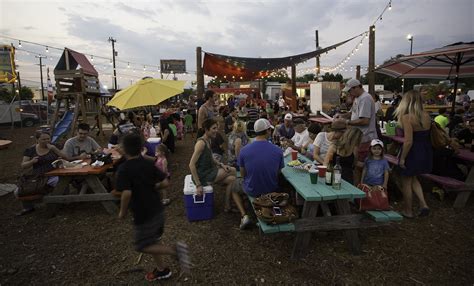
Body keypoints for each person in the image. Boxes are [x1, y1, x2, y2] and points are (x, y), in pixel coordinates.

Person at [116, 133, 191, 281]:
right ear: (141, 148)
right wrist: (151, 186)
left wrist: (122, 212)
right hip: (157, 209)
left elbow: (126, 194)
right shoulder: (148, 163)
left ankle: (174, 251)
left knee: (142, 246)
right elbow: (165, 182)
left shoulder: (124, 169)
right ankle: (162, 270)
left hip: (143, 214)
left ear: (124, 149)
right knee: (153, 241)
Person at [236, 118, 284, 229]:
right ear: (267, 131)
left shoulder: (244, 150)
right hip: (271, 189)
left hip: (252, 189)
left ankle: (244, 215)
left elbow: (243, 174)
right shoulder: (277, 150)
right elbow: (277, 173)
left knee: (233, 187)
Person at [393, 90, 432, 218]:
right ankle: (423, 205)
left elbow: (408, 141)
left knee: (406, 182)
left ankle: (408, 211)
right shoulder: (427, 116)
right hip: (425, 150)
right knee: (414, 178)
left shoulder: (407, 117)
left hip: (412, 152)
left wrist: (403, 158)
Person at [17, 131, 69, 215]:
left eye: (48, 139)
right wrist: (32, 161)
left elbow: (66, 157)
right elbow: (23, 165)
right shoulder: (30, 150)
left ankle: (63, 202)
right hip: (39, 175)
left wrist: (54, 149)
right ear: (37, 140)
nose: (46, 141)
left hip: (54, 173)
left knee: (62, 182)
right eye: (43, 139)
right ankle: (28, 207)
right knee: (21, 189)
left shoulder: (54, 146)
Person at [336, 79, 377, 185]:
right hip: (358, 136)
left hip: (364, 136)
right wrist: (341, 115)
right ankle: (357, 188)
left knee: (359, 165)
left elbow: (365, 120)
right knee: (356, 165)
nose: (349, 93)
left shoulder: (365, 98)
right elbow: (352, 113)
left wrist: (346, 122)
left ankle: (360, 189)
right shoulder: (358, 98)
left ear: (357, 87)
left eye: (350, 90)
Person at [188, 118, 236, 200]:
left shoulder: (208, 140)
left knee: (232, 179)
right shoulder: (201, 143)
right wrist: (198, 185)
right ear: (206, 130)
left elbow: (211, 157)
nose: (216, 130)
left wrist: (222, 165)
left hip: (210, 171)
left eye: (217, 128)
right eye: (214, 128)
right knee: (234, 170)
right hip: (203, 176)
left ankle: (227, 206)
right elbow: (191, 165)